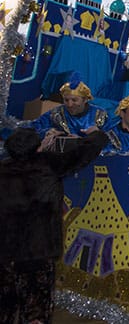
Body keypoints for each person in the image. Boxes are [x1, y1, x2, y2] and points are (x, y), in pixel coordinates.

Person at [0, 127, 108, 324]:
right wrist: (97, 133)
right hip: (39, 250)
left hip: (6, 253)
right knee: (36, 310)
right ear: (37, 147)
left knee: (5, 306)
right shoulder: (48, 164)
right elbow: (85, 151)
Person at [32, 73, 111, 149]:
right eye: (66, 100)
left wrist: (97, 135)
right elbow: (33, 127)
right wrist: (47, 132)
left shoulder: (100, 115)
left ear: (85, 100)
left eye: (74, 100)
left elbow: (113, 141)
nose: (70, 105)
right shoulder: (56, 114)